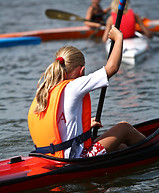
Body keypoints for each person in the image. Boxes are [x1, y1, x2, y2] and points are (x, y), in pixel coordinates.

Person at [28, 26, 146, 159]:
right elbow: (112, 68)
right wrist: (118, 38)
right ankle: (153, 149)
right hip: (77, 158)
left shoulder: (45, 90)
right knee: (124, 128)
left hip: (52, 157)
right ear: (81, 70)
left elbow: (60, 124)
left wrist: (84, 126)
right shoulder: (73, 86)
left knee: (121, 148)